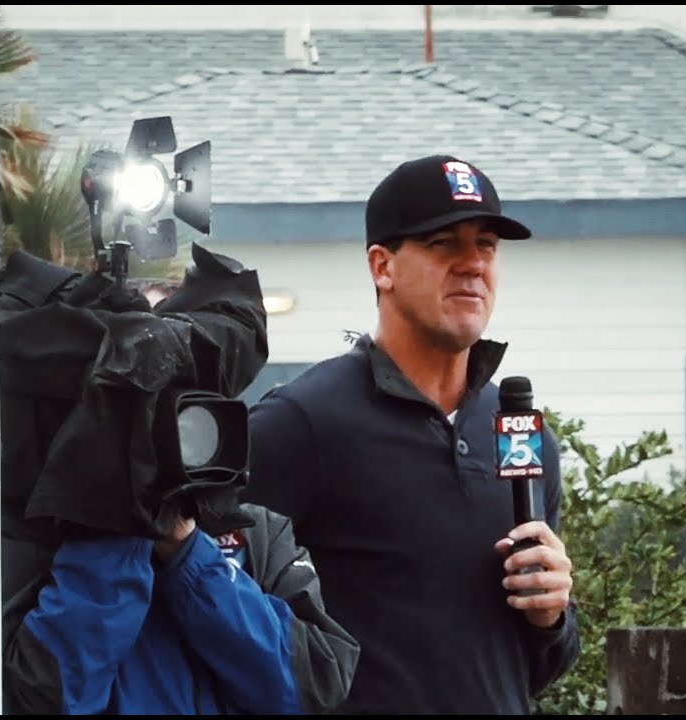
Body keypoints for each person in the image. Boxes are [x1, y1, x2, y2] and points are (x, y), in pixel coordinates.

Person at [242, 154, 581, 714]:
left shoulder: (524, 437)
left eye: (487, 245)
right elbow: (217, 610)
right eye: (445, 243)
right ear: (383, 266)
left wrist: (551, 617)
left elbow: (533, 669)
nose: (473, 263)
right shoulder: (300, 423)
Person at [1, 501, 361, 714]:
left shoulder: (256, 533)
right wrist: (116, 535)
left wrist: (188, 552)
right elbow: (47, 695)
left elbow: (312, 685)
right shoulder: (30, 537)